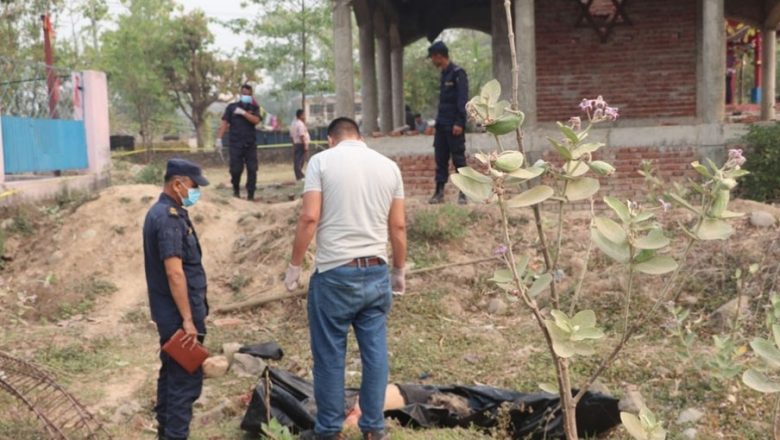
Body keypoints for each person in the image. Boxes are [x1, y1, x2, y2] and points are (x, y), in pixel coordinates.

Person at [283, 117, 407, 440]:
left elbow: (309, 217)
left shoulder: (321, 162)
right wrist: (399, 270)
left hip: (335, 274)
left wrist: (295, 266)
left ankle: (328, 430)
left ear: (331, 140)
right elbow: (398, 227)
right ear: (360, 137)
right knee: (375, 353)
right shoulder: (389, 167)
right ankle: (374, 428)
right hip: (377, 271)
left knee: (329, 356)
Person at [143, 159, 210, 440]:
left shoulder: (165, 213)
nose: (196, 193)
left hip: (171, 315)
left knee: (171, 378)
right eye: (194, 187)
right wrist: (188, 320)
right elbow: (175, 273)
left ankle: (165, 434)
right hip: (178, 318)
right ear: (178, 184)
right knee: (184, 383)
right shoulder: (168, 218)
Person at [427, 41, 468, 205]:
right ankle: (439, 192)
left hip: (454, 125)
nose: (432, 61)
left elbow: (462, 100)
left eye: (432, 57)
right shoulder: (444, 74)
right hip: (442, 125)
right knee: (440, 158)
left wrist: (460, 122)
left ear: (439, 56)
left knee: (458, 159)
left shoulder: (458, 73)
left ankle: (464, 192)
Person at [216, 84, 261, 200]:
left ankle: (251, 194)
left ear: (251, 95)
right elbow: (224, 123)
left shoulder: (254, 108)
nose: (245, 96)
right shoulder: (231, 107)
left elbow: (256, 120)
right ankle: (236, 190)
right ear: (240, 94)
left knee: (252, 169)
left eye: (247, 94)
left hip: (250, 144)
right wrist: (219, 139)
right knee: (235, 169)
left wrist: (244, 113)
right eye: (243, 93)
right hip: (235, 144)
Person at [289, 109, 310, 181]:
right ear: (301, 115)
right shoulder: (300, 124)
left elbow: (291, 136)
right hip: (301, 144)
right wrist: (305, 145)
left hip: (296, 144)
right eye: (304, 115)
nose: (304, 116)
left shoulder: (293, 124)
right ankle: (300, 176)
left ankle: (299, 175)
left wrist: (293, 144)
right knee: (299, 160)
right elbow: (302, 135)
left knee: (298, 160)